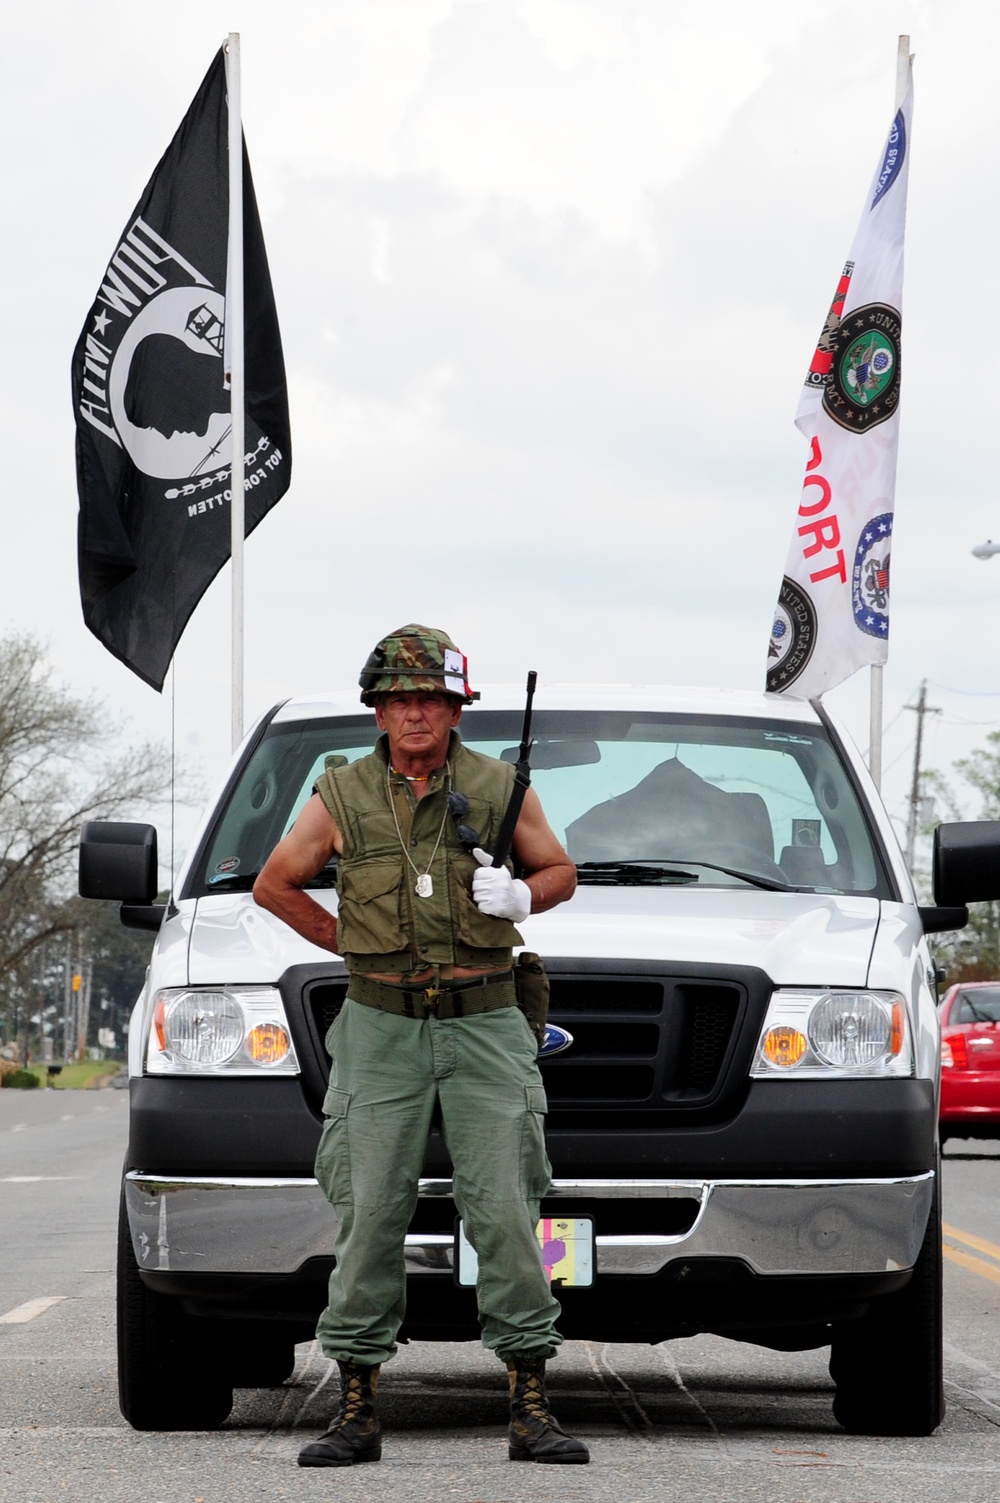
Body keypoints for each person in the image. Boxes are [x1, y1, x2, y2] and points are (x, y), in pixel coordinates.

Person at [252, 625, 587, 1467]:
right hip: (380, 1025)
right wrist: (351, 942)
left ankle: (530, 1401)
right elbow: (274, 881)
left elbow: (560, 870)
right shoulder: (341, 792)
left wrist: (521, 895)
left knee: (509, 1206)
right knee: (368, 1211)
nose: (415, 712)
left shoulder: (500, 787)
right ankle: (357, 1403)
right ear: (378, 708)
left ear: (454, 707)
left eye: (431, 698)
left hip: (484, 1019)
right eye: (400, 699)